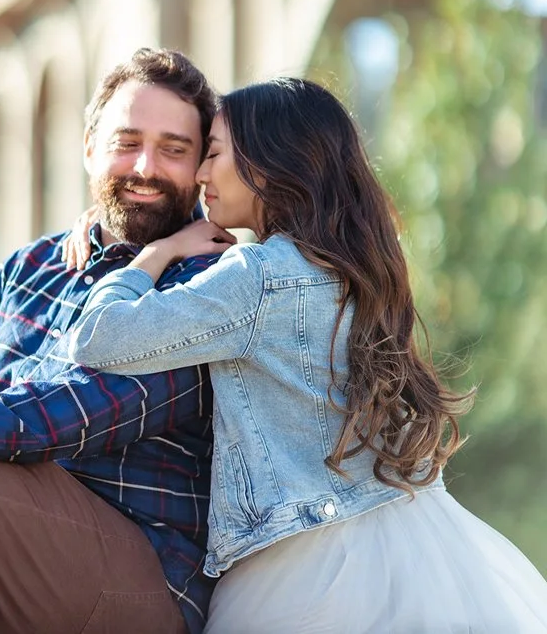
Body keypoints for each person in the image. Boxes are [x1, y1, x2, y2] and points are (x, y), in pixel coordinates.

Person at [66, 77, 547, 634]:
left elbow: (98, 337)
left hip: (306, 570)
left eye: (213, 154)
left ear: (266, 164)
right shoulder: (355, 266)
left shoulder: (257, 277)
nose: (199, 174)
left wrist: (153, 255)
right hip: (415, 539)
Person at [0, 48, 225, 634]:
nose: (146, 167)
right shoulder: (34, 263)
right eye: (127, 142)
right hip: (17, 530)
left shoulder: (207, 289)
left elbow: (61, 416)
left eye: (174, 150)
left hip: (138, 571)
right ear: (89, 148)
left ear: (201, 166)